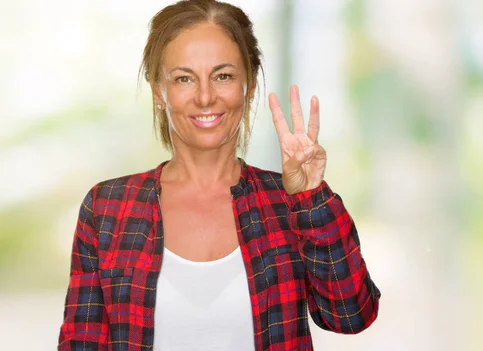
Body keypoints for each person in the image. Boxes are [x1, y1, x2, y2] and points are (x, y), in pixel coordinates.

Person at [57, 1, 381, 350]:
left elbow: (351, 316)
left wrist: (311, 198)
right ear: (158, 92)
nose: (205, 96)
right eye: (184, 78)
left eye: (223, 76)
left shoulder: (290, 202)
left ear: (250, 84)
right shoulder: (107, 209)